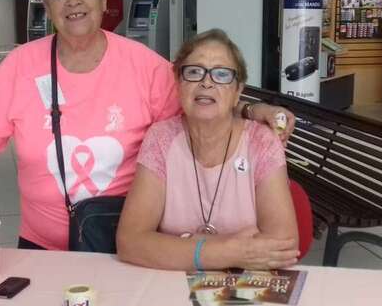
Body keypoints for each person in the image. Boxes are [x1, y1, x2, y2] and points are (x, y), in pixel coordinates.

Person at [0, 0, 294, 252]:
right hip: (42, 248)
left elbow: (198, 95)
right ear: (47, 5)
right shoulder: (19, 67)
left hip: (122, 245)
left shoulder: (145, 66)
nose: (73, 1)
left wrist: (250, 109)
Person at [116, 29, 299, 271]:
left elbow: (283, 245)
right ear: (178, 84)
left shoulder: (261, 142)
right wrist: (229, 252)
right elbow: (130, 242)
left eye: (221, 74)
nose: (206, 82)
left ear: (237, 92)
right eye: (194, 72)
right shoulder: (161, 139)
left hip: (244, 284)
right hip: (170, 284)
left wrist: (185, 244)